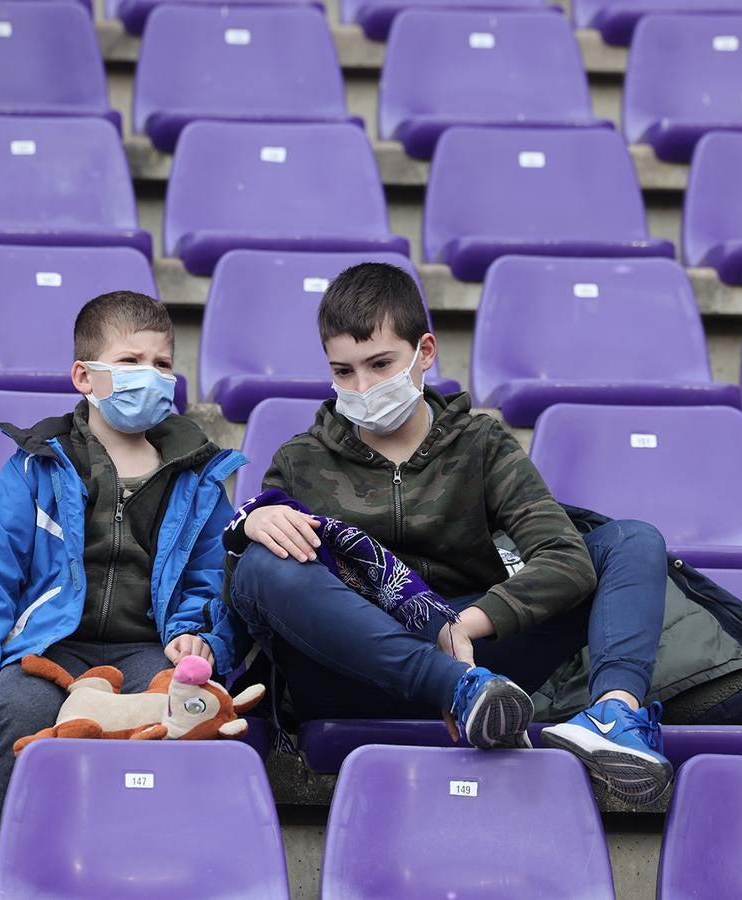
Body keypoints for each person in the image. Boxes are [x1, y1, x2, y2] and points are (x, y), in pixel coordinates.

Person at [223, 263, 676, 804]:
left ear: (425, 352)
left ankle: (612, 717)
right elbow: (255, 599)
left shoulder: (480, 443)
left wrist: (458, 625)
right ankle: (451, 688)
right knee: (259, 566)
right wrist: (253, 523)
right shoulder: (300, 459)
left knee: (630, 540)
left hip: (483, 664)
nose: (362, 388)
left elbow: (564, 558)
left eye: (380, 364)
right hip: (350, 666)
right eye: (343, 372)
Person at [0, 291, 247, 862]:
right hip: (49, 648)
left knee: (174, 716)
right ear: (84, 375)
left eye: (163, 364)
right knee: (22, 713)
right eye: (130, 362)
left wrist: (198, 635)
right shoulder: (37, 467)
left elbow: (212, 576)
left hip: (148, 648)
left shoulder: (198, 479)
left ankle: (153, 867)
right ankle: (19, 870)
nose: (150, 376)